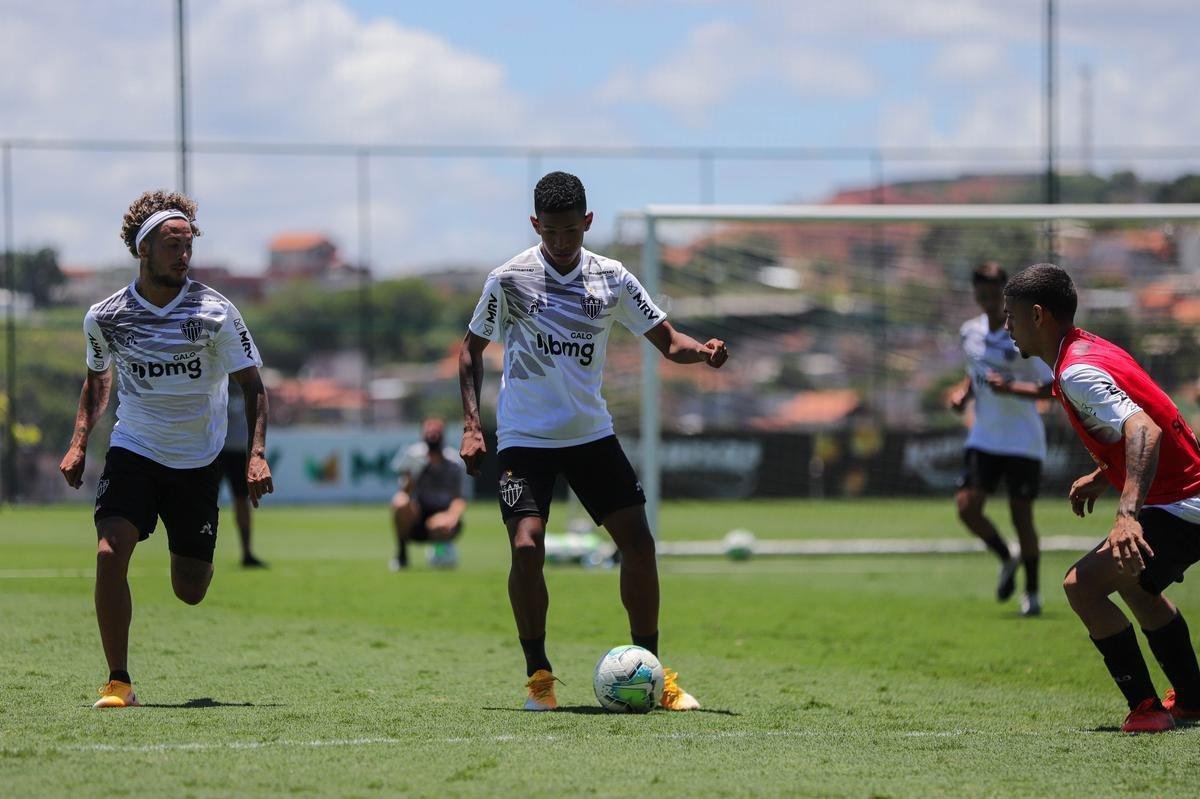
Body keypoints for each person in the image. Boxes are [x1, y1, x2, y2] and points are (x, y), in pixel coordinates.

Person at [459, 171, 729, 711]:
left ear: (588, 222)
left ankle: (653, 676)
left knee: (640, 545)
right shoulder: (508, 279)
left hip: (590, 435)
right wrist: (471, 425)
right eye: (551, 231)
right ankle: (539, 676)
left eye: (571, 231)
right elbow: (470, 351)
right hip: (524, 439)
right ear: (536, 224)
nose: (561, 242)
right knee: (527, 545)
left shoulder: (613, 279)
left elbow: (667, 340)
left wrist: (699, 352)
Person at [58, 190, 273, 708]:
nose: (183, 254)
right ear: (143, 250)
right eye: (171, 244)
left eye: (187, 244)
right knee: (110, 553)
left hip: (197, 459)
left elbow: (254, 387)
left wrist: (257, 452)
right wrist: (80, 439)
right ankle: (118, 681)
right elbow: (96, 380)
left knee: (191, 589)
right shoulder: (104, 316)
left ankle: (195, 548)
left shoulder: (216, 312)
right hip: (135, 447)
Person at [1003, 262, 1200, 733]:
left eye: (1010, 316)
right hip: (1189, 496)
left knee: (1082, 586)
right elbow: (1151, 416)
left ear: (1037, 315)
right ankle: (1193, 698)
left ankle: (1147, 709)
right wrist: (1104, 472)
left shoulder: (1077, 372)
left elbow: (1144, 429)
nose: (1005, 326)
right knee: (1135, 583)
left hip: (1181, 505)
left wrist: (1127, 514)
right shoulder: (1091, 347)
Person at [948, 262, 1053, 616]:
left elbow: (1050, 387)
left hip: (1023, 440)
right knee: (967, 507)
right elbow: (975, 372)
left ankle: (1033, 593)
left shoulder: (1021, 334)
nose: (990, 300)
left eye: (996, 294)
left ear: (1005, 294)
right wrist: (965, 394)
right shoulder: (969, 333)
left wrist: (1010, 387)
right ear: (976, 294)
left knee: (1021, 516)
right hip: (984, 437)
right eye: (983, 294)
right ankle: (1007, 558)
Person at [389, 417, 468, 570]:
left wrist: (452, 516)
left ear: (443, 434)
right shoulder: (413, 456)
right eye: (429, 430)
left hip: (443, 515)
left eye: (436, 431)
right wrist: (413, 473)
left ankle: (441, 554)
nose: (433, 434)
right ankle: (402, 555)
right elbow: (405, 492)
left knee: (439, 524)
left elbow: (459, 498)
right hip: (420, 514)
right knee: (399, 502)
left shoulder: (454, 461)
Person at [219, 376, 266, 568]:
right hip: (215, 449)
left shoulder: (247, 383)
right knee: (203, 499)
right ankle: (199, 550)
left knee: (242, 500)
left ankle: (247, 552)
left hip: (238, 451)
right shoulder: (215, 380)